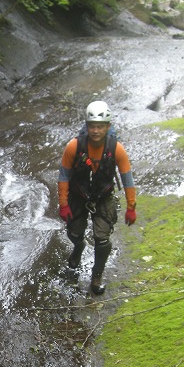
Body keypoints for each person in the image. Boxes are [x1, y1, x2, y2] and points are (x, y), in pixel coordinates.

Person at [58, 100, 137, 294]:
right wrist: (63, 204)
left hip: (103, 197)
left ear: (107, 127)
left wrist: (131, 207)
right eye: (92, 126)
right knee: (74, 233)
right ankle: (78, 247)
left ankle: (96, 276)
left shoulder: (116, 148)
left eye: (100, 127)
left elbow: (127, 179)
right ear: (87, 126)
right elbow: (63, 176)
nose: (95, 131)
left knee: (102, 240)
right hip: (78, 195)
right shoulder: (73, 147)